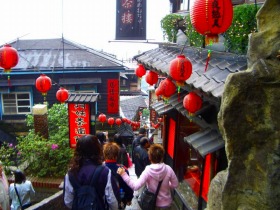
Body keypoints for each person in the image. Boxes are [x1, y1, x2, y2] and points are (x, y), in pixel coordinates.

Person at [64, 134, 119, 209]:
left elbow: (68, 201)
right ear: (97, 149)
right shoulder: (105, 172)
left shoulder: (71, 173)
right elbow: (113, 201)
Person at [117, 144, 179, 210]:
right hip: (166, 204)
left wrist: (123, 174)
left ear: (150, 157)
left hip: (151, 204)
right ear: (162, 157)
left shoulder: (148, 170)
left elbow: (135, 186)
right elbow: (175, 184)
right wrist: (166, 185)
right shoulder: (168, 168)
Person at [103, 142, 134, 209]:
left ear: (104, 154)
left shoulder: (100, 168)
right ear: (117, 155)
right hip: (119, 200)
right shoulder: (122, 169)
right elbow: (127, 186)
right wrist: (129, 198)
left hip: (103, 201)